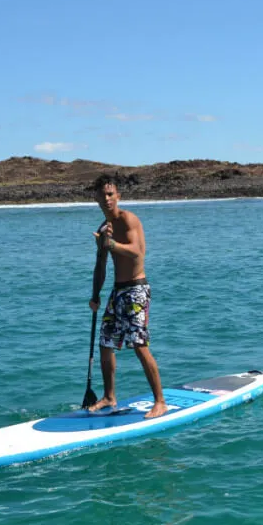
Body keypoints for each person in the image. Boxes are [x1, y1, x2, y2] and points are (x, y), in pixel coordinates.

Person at [86, 173, 167, 418]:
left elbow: (137, 253)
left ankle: (160, 401)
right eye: (102, 195)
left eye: (111, 194)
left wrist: (111, 245)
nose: (107, 199)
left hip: (136, 290)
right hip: (116, 292)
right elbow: (100, 266)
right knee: (105, 344)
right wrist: (95, 295)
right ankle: (110, 396)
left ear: (118, 196)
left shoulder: (129, 219)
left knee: (139, 345)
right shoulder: (103, 228)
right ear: (97, 199)